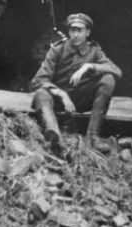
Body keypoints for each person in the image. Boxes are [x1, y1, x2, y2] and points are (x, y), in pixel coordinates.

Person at [30, 13, 122, 154]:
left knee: (108, 79)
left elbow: (117, 71)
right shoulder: (57, 50)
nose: (75, 35)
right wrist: (61, 94)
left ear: (87, 32)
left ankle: (93, 137)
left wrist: (90, 66)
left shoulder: (94, 52)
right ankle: (54, 137)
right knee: (41, 93)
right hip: (57, 101)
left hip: (81, 100)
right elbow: (38, 81)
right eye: (73, 30)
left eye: (80, 30)